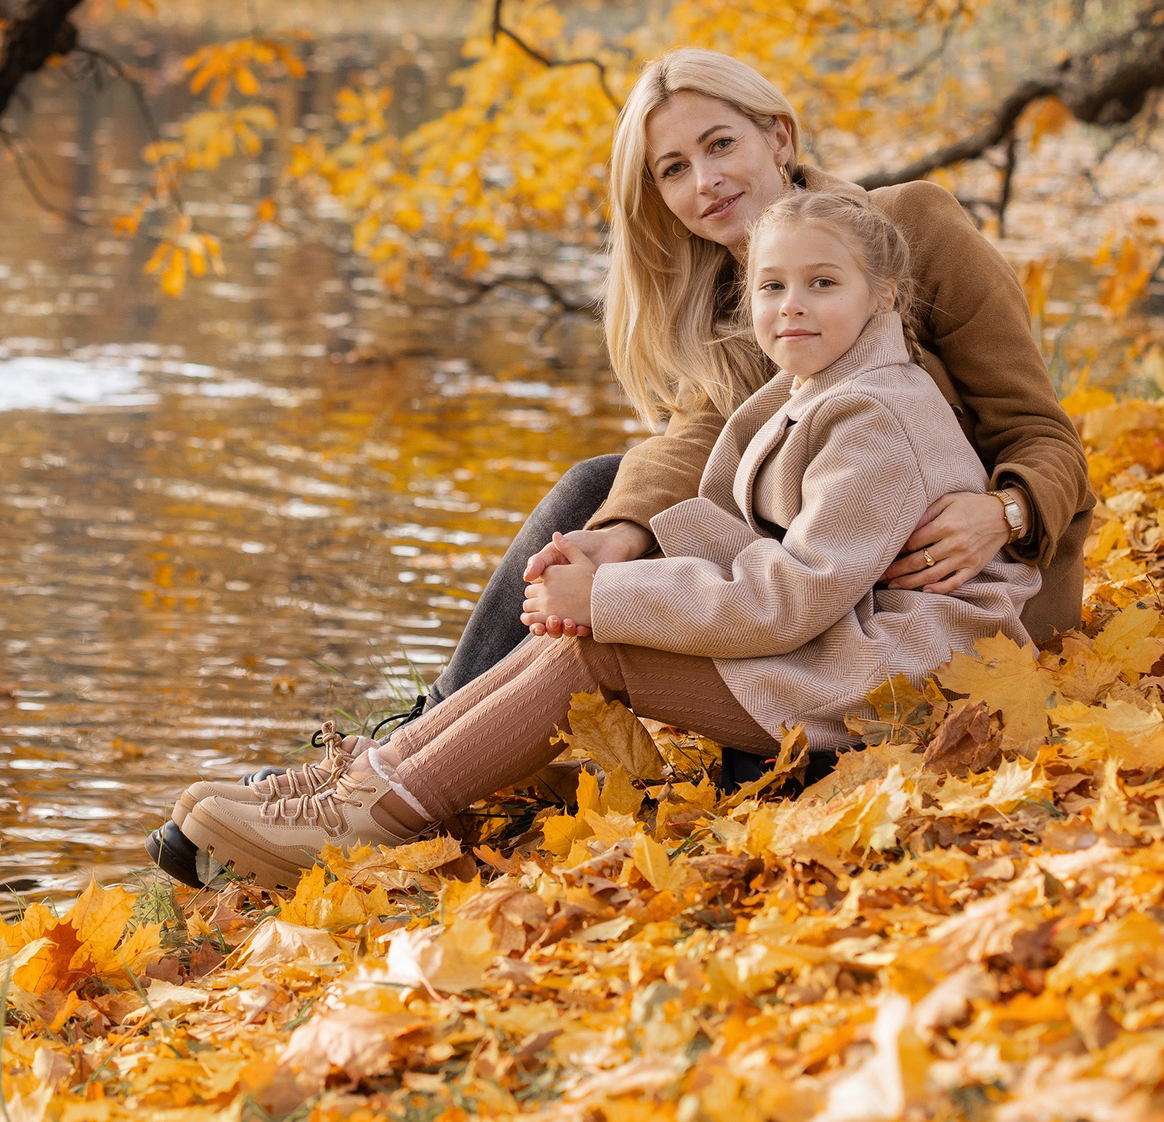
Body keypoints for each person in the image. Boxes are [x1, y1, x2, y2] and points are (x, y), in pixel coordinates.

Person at [144, 49, 1089, 881]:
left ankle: (385, 796)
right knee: (598, 499)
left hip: (938, 608)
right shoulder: (744, 301)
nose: (705, 182)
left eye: (720, 146)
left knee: (604, 621)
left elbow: (1045, 437)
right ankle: (386, 768)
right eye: (673, 169)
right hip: (842, 591)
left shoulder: (899, 242)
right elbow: (697, 448)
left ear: (779, 136)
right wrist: (610, 550)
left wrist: (1003, 512)